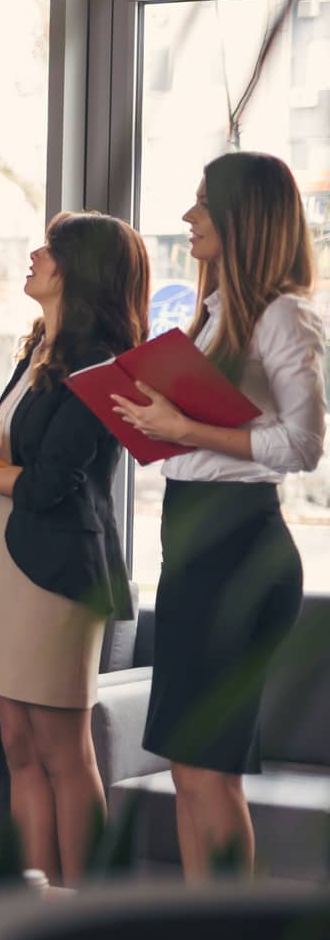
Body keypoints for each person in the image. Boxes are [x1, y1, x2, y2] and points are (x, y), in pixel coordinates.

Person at [111, 151, 323, 877]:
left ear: (242, 218)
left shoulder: (284, 315)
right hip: (195, 546)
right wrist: (152, 420)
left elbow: (303, 446)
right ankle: (202, 933)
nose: (187, 218)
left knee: (209, 771)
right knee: (187, 768)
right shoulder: (214, 314)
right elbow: (193, 436)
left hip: (240, 551)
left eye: (202, 205)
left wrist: (184, 429)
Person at [0, 212, 145, 885]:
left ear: (81, 271)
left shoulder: (103, 366)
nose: (35, 254)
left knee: (62, 753)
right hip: (13, 558)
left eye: (52, 249)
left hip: (59, 573)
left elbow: (51, 486)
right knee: (18, 746)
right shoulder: (39, 351)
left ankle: (84, 920)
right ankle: (36, 903)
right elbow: (26, 460)